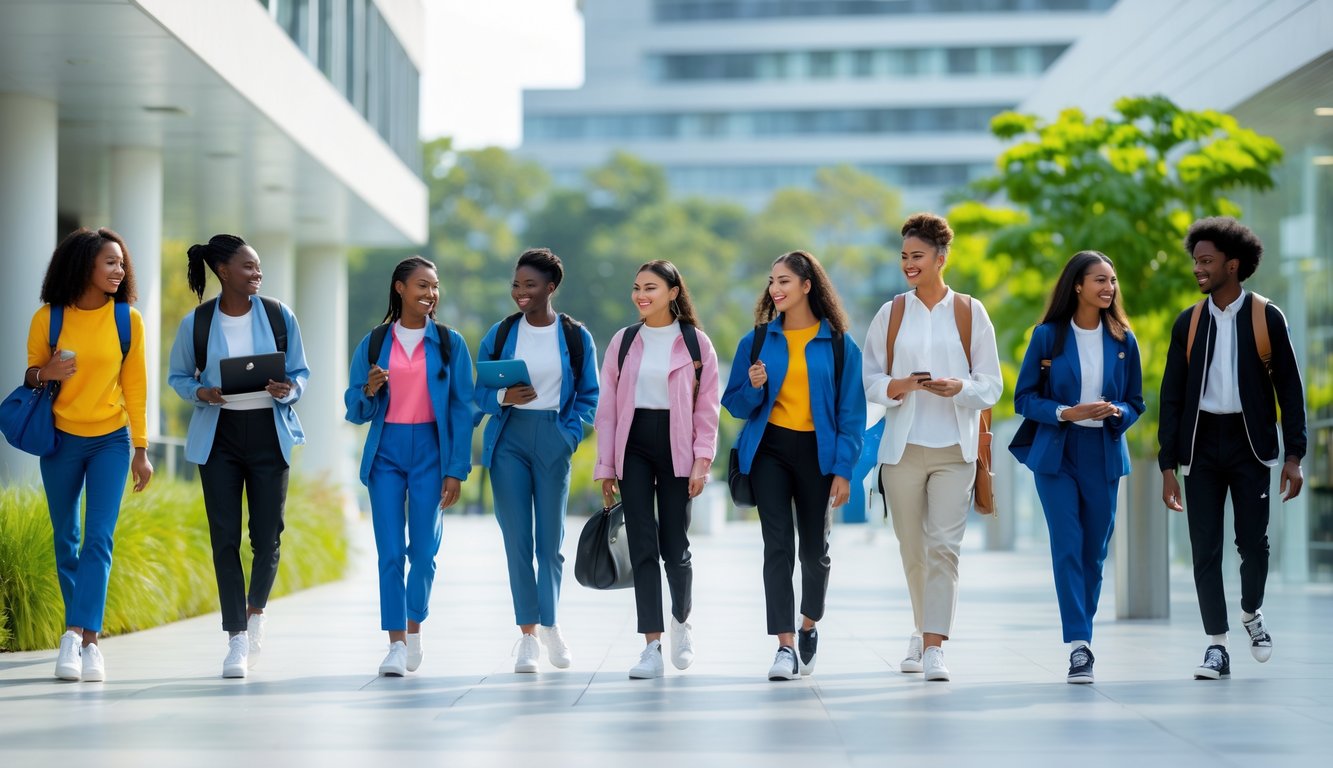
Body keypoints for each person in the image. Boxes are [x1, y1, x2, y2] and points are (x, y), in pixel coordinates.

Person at [1159, 217, 1306, 680]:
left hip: (1250, 446)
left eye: (1207, 261)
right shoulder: (1189, 322)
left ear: (1233, 264)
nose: (1198, 269)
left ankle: (1251, 613)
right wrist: (1168, 464)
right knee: (1204, 548)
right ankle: (1216, 645)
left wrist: (1295, 456)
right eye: (1195, 261)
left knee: (1253, 546)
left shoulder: (1267, 316)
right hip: (1200, 447)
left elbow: (1290, 389)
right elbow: (1172, 395)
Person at [861, 213, 1001, 682]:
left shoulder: (969, 311)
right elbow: (870, 382)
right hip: (902, 451)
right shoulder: (892, 313)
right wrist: (899, 385)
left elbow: (992, 386)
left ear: (941, 258)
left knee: (944, 548)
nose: (908, 264)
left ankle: (936, 645)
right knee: (913, 548)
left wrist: (958, 387)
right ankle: (921, 631)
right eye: (904, 256)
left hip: (954, 451)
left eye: (916, 256)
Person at [167, 234, 308, 679]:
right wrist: (200, 392)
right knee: (224, 537)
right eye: (248, 267)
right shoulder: (198, 322)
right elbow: (177, 375)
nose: (257, 274)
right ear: (224, 271)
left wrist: (290, 389)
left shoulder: (279, 315)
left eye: (259, 267)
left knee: (267, 537)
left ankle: (256, 612)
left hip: (269, 434)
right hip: (220, 437)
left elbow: (301, 371)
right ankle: (235, 638)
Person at [723, 250, 865, 681]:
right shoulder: (757, 340)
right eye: (771, 281)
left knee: (815, 551)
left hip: (818, 455)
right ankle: (784, 646)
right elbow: (734, 403)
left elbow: (852, 415)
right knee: (777, 546)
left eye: (784, 280)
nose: (775, 289)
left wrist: (843, 470)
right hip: (769, 450)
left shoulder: (840, 344)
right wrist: (753, 386)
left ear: (807, 286)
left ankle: (809, 625)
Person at [1012, 251, 1145, 684]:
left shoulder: (1124, 340)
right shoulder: (1047, 336)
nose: (1108, 288)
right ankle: (1079, 646)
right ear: (1077, 286)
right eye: (1099, 281)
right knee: (1068, 544)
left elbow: (1137, 402)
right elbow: (1024, 399)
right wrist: (1069, 412)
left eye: (1112, 281)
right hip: (1057, 452)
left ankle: (1080, 636)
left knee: (1094, 552)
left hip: (1103, 452)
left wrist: (1116, 412)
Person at [26, 227, 153, 682]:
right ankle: (74, 635)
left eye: (121, 263)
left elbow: (136, 387)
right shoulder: (49, 318)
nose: (120, 271)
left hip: (111, 441)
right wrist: (46, 372)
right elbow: (31, 373)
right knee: (67, 538)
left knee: (99, 538)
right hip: (60, 440)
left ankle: (84, 640)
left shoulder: (127, 320)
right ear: (84, 266)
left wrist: (141, 449)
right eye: (110, 263)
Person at [346, 256, 475, 677]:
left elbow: (462, 408)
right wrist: (368, 389)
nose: (430, 293)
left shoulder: (450, 343)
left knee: (423, 552)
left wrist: (456, 468)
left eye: (434, 286)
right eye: (421, 285)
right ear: (399, 288)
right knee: (389, 551)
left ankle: (415, 627)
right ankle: (396, 644)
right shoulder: (374, 342)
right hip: (386, 452)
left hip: (431, 454)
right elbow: (354, 407)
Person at [594, 260, 720, 679]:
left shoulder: (696, 343)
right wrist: (606, 464)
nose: (640, 295)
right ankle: (651, 644)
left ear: (672, 292)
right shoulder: (624, 341)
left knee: (674, 545)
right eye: (636, 287)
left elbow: (708, 409)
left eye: (650, 287)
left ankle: (682, 621)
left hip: (678, 445)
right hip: (633, 443)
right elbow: (608, 408)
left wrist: (702, 461)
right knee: (642, 546)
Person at [474, 248, 598, 673]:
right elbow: (477, 393)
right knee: (517, 543)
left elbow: (590, 396)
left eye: (530, 285)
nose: (520, 293)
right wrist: (501, 397)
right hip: (509, 438)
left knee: (550, 544)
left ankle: (551, 624)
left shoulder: (576, 336)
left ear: (551, 287)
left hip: (553, 437)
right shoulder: (502, 332)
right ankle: (527, 635)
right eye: (516, 284)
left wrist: (567, 435)